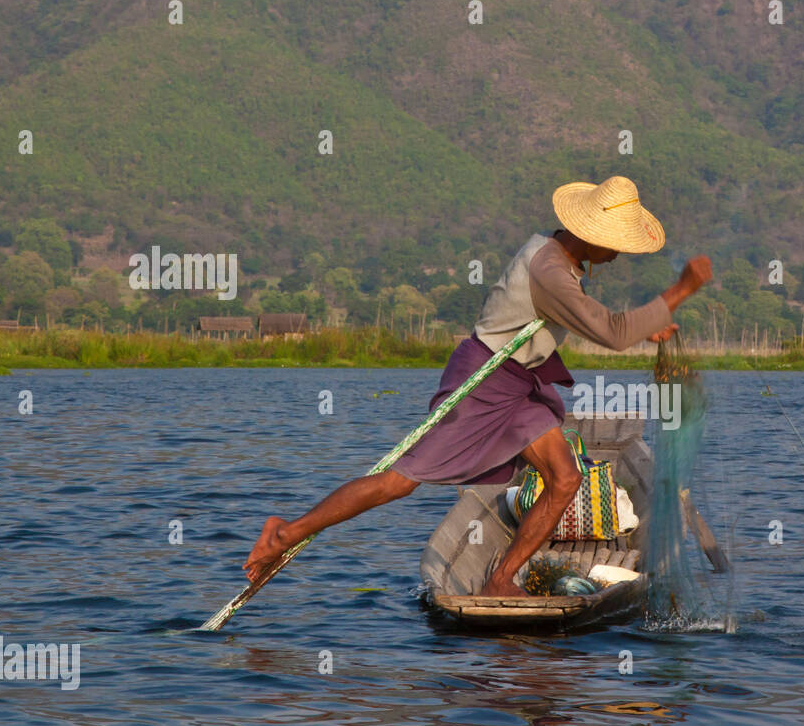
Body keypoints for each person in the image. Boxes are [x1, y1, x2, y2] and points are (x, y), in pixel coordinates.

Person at [243, 175, 713, 596]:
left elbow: (590, 323)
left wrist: (647, 326)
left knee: (565, 478)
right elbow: (610, 331)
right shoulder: (549, 271)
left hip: (520, 383)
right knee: (399, 481)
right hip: (483, 381)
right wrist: (681, 290)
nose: (618, 253)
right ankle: (286, 533)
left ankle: (500, 577)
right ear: (590, 235)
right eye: (616, 243)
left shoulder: (557, 258)